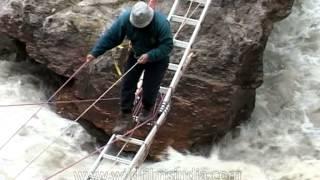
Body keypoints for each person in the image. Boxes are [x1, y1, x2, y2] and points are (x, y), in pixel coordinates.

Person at [86, 2, 173, 134]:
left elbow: (167, 46)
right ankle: (125, 115)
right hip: (136, 54)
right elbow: (111, 37)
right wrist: (95, 53)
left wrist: (150, 55)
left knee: (150, 86)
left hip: (157, 59)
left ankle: (147, 108)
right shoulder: (125, 19)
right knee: (128, 83)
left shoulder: (161, 24)